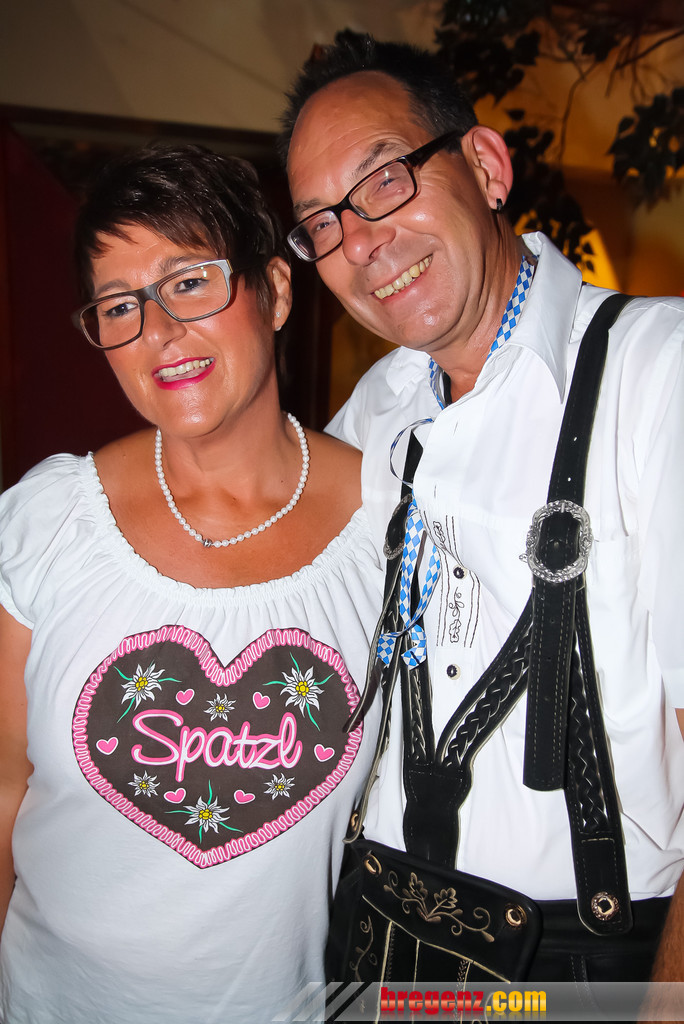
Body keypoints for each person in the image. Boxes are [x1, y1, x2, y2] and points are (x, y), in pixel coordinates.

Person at [279, 31, 684, 984]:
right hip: (379, 946)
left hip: (575, 968)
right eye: (322, 223)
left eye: (385, 180)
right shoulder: (374, 412)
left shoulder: (655, 371)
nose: (361, 243)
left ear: (487, 167)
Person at [0, 142, 383, 1023]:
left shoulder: (389, 527)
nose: (158, 332)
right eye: (118, 306)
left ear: (276, 290)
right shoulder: (49, 522)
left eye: (190, 282)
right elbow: (3, 785)